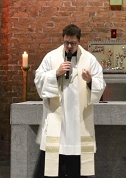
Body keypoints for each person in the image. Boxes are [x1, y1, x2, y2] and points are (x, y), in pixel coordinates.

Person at [33, 24, 105, 177]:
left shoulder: (89, 59)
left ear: (79, 41)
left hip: (78, 121)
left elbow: (101, 84)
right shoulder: (51, 57)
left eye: (73, 43)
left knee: (76, 167)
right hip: (57, 119)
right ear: (63, 39)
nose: (69, 46)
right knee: (54, 163)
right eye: (66, 43)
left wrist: (90, 81)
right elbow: (38, 79)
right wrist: (55, 73)